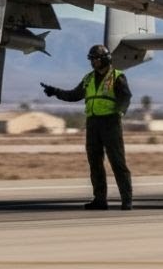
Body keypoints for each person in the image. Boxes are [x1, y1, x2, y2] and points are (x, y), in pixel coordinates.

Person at [41, 44, 134, 210]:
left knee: (117, 162)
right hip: (93, 123)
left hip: (111, 123)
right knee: (95, 162)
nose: (93, 62)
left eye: (96, 59)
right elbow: (73, 95)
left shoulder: (117, 76)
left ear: (105, 59)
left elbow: (125, 97)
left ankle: (126, 200)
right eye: (91, 59)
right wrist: (55, 91)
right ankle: (100, 200)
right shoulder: (88, 78)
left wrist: (120, 113)